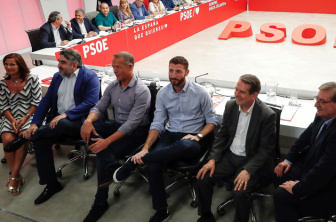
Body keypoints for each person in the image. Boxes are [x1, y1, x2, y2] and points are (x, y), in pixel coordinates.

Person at [113, 56, 218, 222]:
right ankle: (162, 211)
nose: (173, 75)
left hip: (193, 137)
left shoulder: (200, 93)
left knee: (186, 145)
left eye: (178, 71)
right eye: (171, 70)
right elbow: (157, 123)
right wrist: (146, 148)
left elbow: (212, 122)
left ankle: (135, 162)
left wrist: (198, 135)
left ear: (187, 72)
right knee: (154, 165)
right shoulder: (163, 93)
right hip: (170, 135)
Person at [7, 49, 99, 204]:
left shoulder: (90, 77)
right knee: (40, 141)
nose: (59, 65)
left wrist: (66, 114)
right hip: (56, 123)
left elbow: (91, 103)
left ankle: (24, 138)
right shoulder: (58, 77)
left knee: (60, 123)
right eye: (59, 61)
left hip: (79, 122)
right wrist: (34, 123)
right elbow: (46, 101)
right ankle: (52, 184)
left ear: (74, 65)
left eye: (63, 62)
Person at [273, 82, 336, 221]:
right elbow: (304, 138)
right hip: (313, 165)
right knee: (278, 173)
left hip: (330, 186)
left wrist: (297, 188)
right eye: (316, 99)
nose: (316, 104)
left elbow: (324, 171)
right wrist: (288, 160)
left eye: (322, 101)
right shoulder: (325, 115)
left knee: (281, 195)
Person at [81, 52, 151, 222]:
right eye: (113, 67)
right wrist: (88, 121)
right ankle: (111, 164)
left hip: (136, 132)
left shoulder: (142, 91)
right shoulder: (113, 86)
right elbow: (100, 106)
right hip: (117, 126)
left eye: (118, 67)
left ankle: (100, 202)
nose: (114, 71)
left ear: (130, 67)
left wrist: (107, 141)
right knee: (88, 128)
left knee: (104, 153)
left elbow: (131, 124)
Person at [196, 74, 276, 222]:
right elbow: (222, 135)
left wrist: (248, 170)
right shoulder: (231, 106)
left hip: (250, 160)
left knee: (240, 192)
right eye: (236, 89)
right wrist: (212, 159)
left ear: (254, 95)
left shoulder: (266, 115)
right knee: (203, 178)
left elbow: (265, 149)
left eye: (242, 92)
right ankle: (206, 215)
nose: (236, 94)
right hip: (230, 156)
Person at [0, 54, 41, 195]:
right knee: (7, 139)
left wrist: (25, 118)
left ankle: (13, 177)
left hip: (29, 114)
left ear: (20, 65)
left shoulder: (32, 79)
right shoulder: (2, 83)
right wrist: (12, 121)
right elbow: (4, 105)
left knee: (22, 138)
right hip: (10, 116)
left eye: (12, 64)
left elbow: (36, 102)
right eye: (6, 64)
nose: (8, 67)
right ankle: (16, 176)